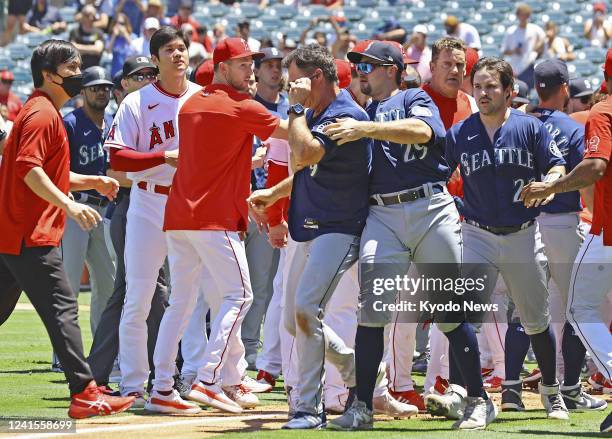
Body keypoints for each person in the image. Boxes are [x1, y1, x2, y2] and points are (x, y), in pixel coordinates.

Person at [323, 41, 488, 431]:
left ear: (393, 69)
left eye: (370, 65)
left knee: (449, 310)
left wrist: (366, 128)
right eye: (358, 65)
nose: (362, 71)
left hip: (430, 207)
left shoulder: (414, 96)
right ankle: (361, 406)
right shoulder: (356, 111)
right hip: (382, 213)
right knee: (372, 310)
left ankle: (479, 400)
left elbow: (424, 131)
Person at [144, 37, 286, 415]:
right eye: (242, 64)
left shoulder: (191, 103)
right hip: (212, 217)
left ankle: (161, 388)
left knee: (182, 304)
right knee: (240, 297)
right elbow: (291, 135)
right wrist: (306, 112)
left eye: (249, 64)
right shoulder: (240, 104)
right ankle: (208, 379)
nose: (250, 70)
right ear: (221, 68)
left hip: (179, 216)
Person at [0, 38, 134, 418]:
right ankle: (85, 391)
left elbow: (49, 172)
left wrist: (90, 182)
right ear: (48, 74)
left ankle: (85, 390)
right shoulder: (43, 115)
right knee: (63, 310)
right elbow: (30, 170)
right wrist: (69, 205)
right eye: (71, 69)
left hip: (13, 234)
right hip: (31, 234)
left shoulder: (37, 111)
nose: (78, 75)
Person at [446, 56, 570, 421]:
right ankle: (476, 399)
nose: (483, 93)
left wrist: (551, 181)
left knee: (535, 320)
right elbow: (437, 175)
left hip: (522, 233)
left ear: (509, 90)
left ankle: (552, 391)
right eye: (479, 86)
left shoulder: (529, 127)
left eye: (491, 86)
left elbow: (556, 164)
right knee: (461, 314)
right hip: (476, 232)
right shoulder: (460, 132)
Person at [103, 27, 201, 407]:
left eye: (181, 48)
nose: (178, 54)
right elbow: (117, 158)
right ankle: (131, 384)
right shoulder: (137, 101)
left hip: (190, 203)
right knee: (138, 297)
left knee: (187, 299)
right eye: (169, 50)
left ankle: (166, 383)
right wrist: (162, 157)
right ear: (155, 59)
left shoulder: (201, 98)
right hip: (148, 201)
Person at [520, 48, 612, 434]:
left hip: (608, 232)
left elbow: (595, 166)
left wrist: (552, 185)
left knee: (578, 308)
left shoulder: (604, 112)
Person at [387, 37, 477, 411]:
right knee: (404, 303)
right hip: (412, 210)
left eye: (460, 65)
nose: (455, 71)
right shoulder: (413, 100)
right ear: (432, 66)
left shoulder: (469, 103)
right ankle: (397, 382)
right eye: (447, 64)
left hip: (451, 214)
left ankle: (442, 379)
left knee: (452, 301)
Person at [87, 56, 164, 391]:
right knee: (143, 290)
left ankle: (100, 372)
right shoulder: (127, 111)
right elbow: (115, 173)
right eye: (138, 75)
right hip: (130, 207)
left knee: (140, 291)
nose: (147, 79)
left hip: (153, 206)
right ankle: (159, 371)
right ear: (124, 85)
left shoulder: (155, 110)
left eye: (151, 73)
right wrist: (159, 175)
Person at [61, 66, 116, 338]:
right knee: (69, 283)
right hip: (77, 208)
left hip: (105, 212)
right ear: (83, 91)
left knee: (107, 284)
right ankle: (63, 354)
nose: (101, 92)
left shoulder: (115, 124)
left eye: (105, 87)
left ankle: (101, 352)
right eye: (95, 87)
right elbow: (58, 171)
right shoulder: (70, 123)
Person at [241, 47, 285, 370]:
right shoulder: (248, 106)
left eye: (277, 65)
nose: (274, 70)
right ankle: (247, 348)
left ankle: (270, 351)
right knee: (253, 283)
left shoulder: (287, 108)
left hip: (282, 203)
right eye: (268, 65)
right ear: (256, 71)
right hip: (253, 200)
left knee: (276, 285)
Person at [501, 3, 545, 89]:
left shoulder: (535, 29)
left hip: (530, 66)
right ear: (517, 15)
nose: (523, 17)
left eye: (526, 15)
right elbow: (504, 50)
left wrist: (537, 47)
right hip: (515, 68)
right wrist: (514, 51)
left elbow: (544, 38)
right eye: (521, 14)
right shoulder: (511, 31)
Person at [69, 5, 106, 70]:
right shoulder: (75, 31)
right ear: (82, 16)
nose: (91, 18)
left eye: (93, 15)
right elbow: (73, 49)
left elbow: (98, 49)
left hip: (94, 68)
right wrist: (91, 49)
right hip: (78, 69)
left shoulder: (98, 32)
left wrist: (80, 49)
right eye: (88, 15)